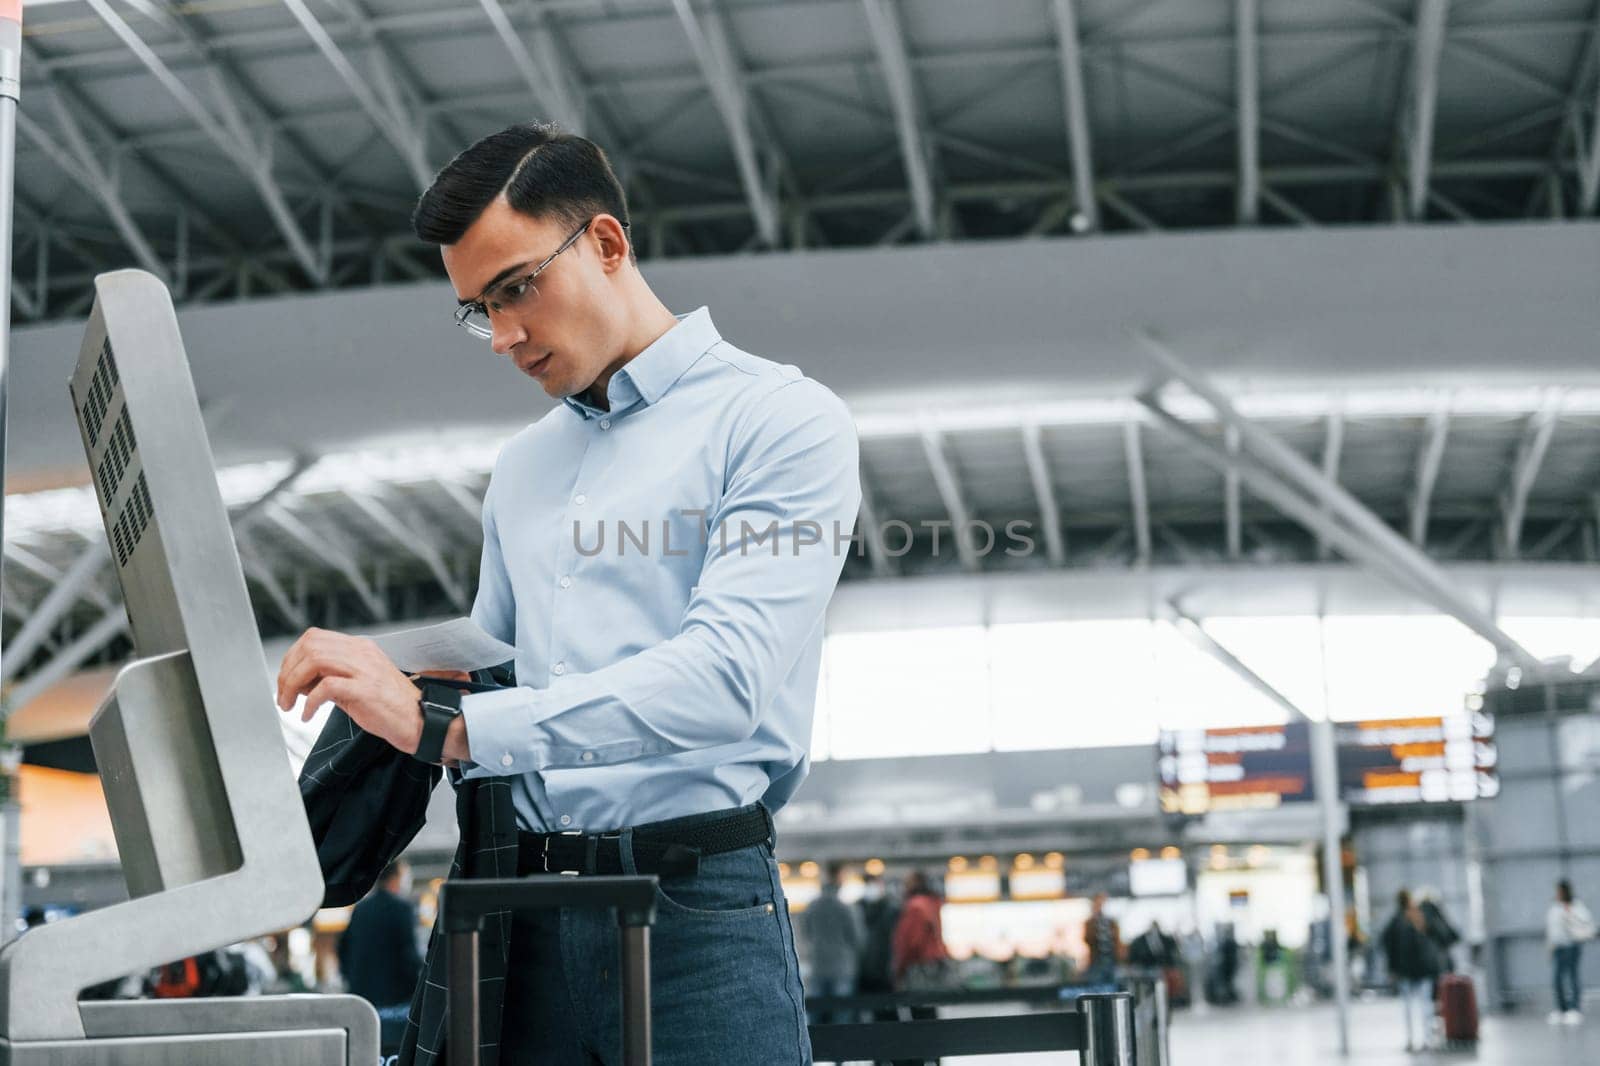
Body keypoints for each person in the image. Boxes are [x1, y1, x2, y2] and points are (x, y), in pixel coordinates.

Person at [276, 122, 860, 1066]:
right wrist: (386, 672)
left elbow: (723, 681)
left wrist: (447, 730)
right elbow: (500, 658)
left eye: (515, 289)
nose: (503, 336)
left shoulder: (780, 422)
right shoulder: (525, 467)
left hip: (694, 917)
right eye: (477, 309)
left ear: (606, 243)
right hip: (522, 912)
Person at [337, 860, 423, 1012]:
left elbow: (343, 948)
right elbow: (408, 954)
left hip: (362, 997)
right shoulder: (402, 908)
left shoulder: (361, 909)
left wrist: (351, 978)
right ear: (396, 877)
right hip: (395, 999)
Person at [802, 862, 864, 1023]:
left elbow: (806, 932)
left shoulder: (812, 907)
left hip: (818, 965)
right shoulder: (845, 908)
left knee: (815, 1017)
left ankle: (816, 1048)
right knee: (841, 1018)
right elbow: (856, 938)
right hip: (842, 968)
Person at [1382, 890, 1442, 1053]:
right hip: (1423, 969)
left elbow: (1388, 944)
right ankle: (1427, 1039)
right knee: (1425, 1005)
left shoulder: (1395, 921)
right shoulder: (1421, 917)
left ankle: (1411, 1039)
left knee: (1408, 1007)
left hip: (1406, 971)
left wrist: (1392, 968)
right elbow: (1437, 936)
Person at [1547, 878, 1596, 1025]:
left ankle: (1574, 1009)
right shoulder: (1554, 907)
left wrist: (1570, 913)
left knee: (1572, 976)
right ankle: (1561, 1009)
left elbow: (1585, 922)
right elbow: (1551, 928)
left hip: (1571, 946)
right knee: (1556, 979)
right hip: (1558, 947)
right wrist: (1550, 946)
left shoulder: (1576, 906)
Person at [1082, 892, 1122, 985]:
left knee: (1114, 986)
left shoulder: (1112, 922)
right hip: (1097, 961)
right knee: (1097, 986)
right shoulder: (1090, 923)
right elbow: (1087, 939)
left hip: (1112, 961)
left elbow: (1117, 941)